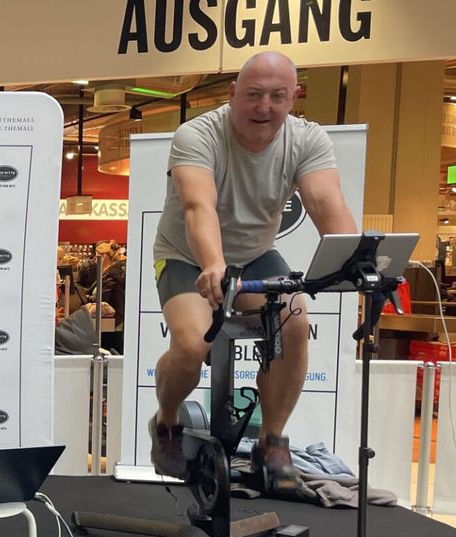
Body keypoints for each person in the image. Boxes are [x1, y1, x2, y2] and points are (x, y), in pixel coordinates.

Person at [147, 50, 357, 491]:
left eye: (277, 96)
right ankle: (167, 422)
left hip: (255, 254)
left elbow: (324, 202)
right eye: (254, 95)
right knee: (191, 344)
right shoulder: (197, 134)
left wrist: (351, 259)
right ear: (232, 94)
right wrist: (213, 263)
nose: (265, 106)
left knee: (295, 323)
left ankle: (272, 442)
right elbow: (196, 204)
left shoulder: (307, 139)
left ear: (293, 97)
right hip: (187, 254)